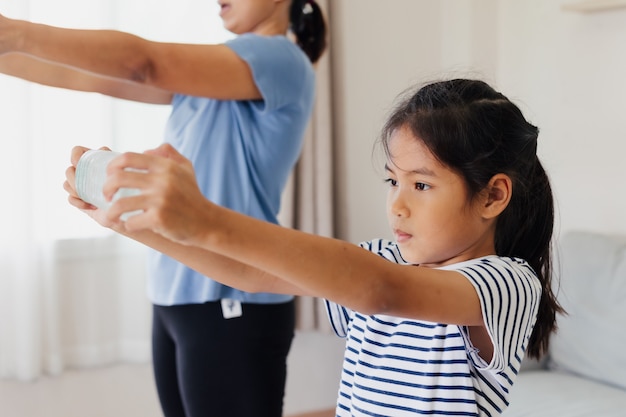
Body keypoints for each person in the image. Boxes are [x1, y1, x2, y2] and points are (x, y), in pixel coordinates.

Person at [64, 78, 564, 416]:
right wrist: (134, 225)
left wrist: (206, 218)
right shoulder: (388, 258)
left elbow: (381, 292)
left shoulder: (506, 283)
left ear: (493, 195)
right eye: (393, 181)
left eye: (422, 185)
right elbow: (249, 273)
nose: (397, 206)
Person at [1, 1, 327, 416]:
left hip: (230, 295)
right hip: (176, 289)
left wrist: (16, 32)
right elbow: (81, 74)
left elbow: (142, 63)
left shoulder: (279, 58)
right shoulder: (212, 77)